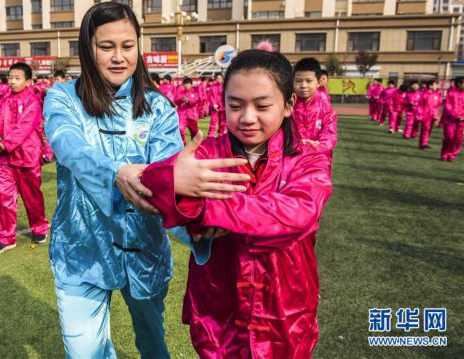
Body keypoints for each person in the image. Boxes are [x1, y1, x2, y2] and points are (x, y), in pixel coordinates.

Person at [42, 3, 249, 358]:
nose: (119, 57)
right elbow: (68, 145)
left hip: (144, 250)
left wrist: (197, 224)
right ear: (87, 49)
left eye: (128, 45)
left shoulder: (158, 107)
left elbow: (169, 180)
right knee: (84, 352)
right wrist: (116, 173)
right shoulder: (62, 98)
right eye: (106, 46)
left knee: (153, 342)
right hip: (81, 252)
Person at [141, 47, 333, 358]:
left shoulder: (306, 159)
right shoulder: (206, 153)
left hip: (284, 305)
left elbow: (298, 214)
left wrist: (205, 209)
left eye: (262, 106)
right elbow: (155, 184)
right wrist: (175, 185)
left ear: (288, 105)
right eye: (235, 105)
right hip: (219, 300)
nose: (247, 118)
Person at [0, 62, 49, 254]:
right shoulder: (5, 99)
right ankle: (6, 237)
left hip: (28, 156)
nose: (12, 81)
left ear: (28, 81)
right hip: (7, 158)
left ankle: (39, 227)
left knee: (32, 197)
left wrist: (6, 143)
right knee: (4, 197)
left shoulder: (33, 102)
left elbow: (25, 126)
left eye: (17, 78)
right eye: (10, 77)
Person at [292, 57, 338, 156]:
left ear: (318, 82)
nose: (303, 85)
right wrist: (295, 143)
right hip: (292, 156)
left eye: (309, 81)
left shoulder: (325, 107)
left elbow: (330, 135)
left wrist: (318, 145)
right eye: (298, 81)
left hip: (318, 158)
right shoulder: (287, 105)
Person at [440, 76, 464, 161]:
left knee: (458, 139)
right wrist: (456, 116)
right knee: (449, 137)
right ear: (459, 83)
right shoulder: (451, 93)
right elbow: (448, 106)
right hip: (450, 120)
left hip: (461, 121)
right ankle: (445, 154)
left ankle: (452, 155)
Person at [175, 77, 200, 144]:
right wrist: (181, 100)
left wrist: (188, 101)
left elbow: (195, 101)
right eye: (185, 84)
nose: (186, 85)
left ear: (191, 84)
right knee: (180, 129)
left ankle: (194, 146)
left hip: (192, 116)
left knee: (195, 133)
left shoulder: (195, 93)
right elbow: (176, 100)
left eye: (188, 84)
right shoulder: (180, 93)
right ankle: (183, 145)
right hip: (182, 115)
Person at [419, 80, 442, 149]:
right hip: (426, 115)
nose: (436, 86)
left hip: (433, 115)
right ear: (430, 86)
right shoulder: (425, 94)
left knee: (429, 129)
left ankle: (425, 142)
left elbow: (438, 105)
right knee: (425, 128)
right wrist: (420, 115)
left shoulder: (437, 95)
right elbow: (420, 105)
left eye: (436, 85)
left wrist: (436, 114)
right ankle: (422, 144)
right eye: (434, 85)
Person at [208, 72, 226, 137]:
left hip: (223, 107)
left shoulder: (226, 86)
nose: (219, 80)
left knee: (223, 123)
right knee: (213, 122)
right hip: (215, 107)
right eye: (217, 78)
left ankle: (221, 136)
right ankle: (210, 136)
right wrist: (214, 104)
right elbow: (210, 96)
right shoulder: (213, 86)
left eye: (220, 78)